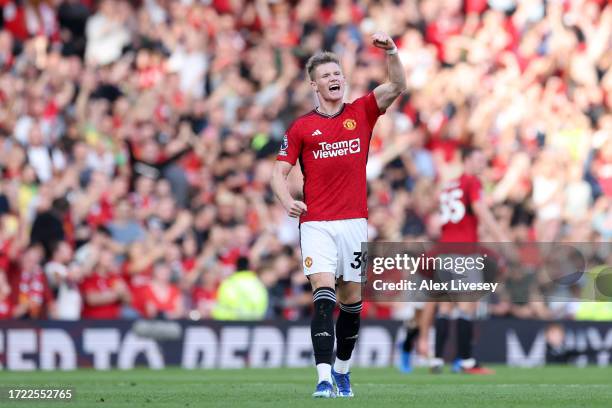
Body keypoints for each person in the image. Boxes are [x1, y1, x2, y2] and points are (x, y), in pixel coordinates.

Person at [271, 32, 406, 398]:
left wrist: (391, 51)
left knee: (350, 302)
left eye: (338, 74)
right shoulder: (301, 127)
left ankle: (343, 371)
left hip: (353, 223)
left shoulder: (361, 111)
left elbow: (397, 84)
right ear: (314, 85)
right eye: (326, 75)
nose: (334, 79)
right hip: (316, 223)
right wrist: (286, 200)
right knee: (323, 293)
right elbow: (276, 173)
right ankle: (323, 377)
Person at [416, 146, 509, 374]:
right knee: (467, 307)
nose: (482, 164)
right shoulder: (472, 182)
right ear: (466, 160)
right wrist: (502, 240)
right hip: (464, 250)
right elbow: (482, 212)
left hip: (444, 249)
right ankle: (467, 361)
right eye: (478, 159)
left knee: (446, 307)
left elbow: (436, 212)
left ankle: (437, 359)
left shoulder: (449, 185)